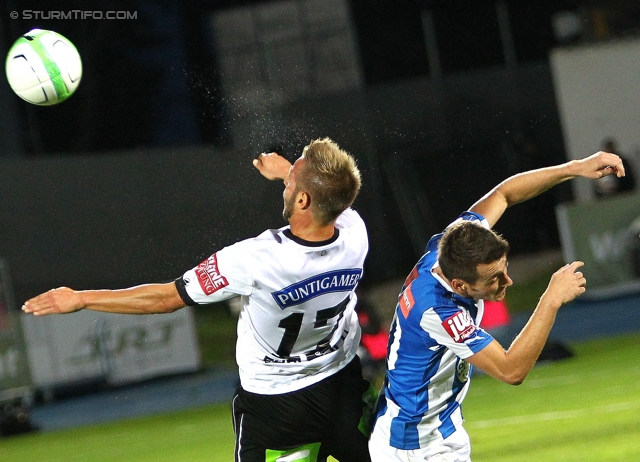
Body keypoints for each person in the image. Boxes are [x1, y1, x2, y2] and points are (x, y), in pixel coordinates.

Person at [22, 138, 373, 462]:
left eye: (293, 175)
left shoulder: (252, 260)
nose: (288, 175)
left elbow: (164, 299)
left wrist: (81, 298)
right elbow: (331, 197)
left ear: (302, 200)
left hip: (276, 408)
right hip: (342, 387)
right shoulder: (356, 234)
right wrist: (288, 173)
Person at [368, 150, 626, 462]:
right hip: (416, 447)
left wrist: (575, 168)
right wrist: (551, 299)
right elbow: (510, 370)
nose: (507, 281)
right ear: (461, 286)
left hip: (436, 432)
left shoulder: (453, 244)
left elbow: (504, 194)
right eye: (492, 279)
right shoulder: (438, 311)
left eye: (504, 268)